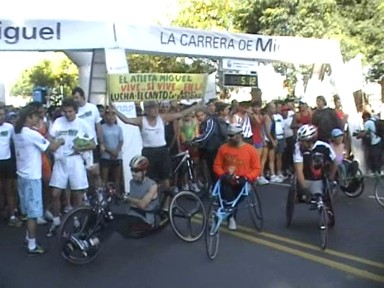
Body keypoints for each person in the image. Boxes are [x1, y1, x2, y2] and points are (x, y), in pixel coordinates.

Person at [13, 104, 64, 254]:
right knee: (33, 214)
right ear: (29, 117)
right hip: (32, 177)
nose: (38, 118)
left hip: (22, 175)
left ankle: (28, 238)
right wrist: (60, 141)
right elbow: (51, 148)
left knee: (28, 210)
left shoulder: (17, 132)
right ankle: (32, 245)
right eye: (35, 116)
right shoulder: (31, 134)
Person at [46, 98, 95, 237]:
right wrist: (55, 142)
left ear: (75, 111)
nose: (68, 114)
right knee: (55, 193)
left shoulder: (82, 123)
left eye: (70, 111)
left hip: (75, 160)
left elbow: (92, 144)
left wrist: (79, 147)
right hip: (60, 161)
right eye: (65, 111)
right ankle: (56, 221)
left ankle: (76, 220)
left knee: (77, 194)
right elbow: (49, 136)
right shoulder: (58, 122)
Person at [213, 124, 261, 230]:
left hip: (243, 180)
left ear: (239, 135)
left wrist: (248, 177)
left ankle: (230, 213)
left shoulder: (251, 150)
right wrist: (223, 175)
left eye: (231, 136)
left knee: (240, 195)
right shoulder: (223, 148)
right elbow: (217, 165)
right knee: (227, 196)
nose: (229, 138)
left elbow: (257, 168)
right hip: (227, 179)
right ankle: (230, 217)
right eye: (228, 135)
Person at [293, 124, 337, 221]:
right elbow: (299, 169)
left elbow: (334, 162)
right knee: (304, 194)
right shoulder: (298, 148)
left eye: (302, 141)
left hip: (320, 177)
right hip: (305, 178)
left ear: (310, 141)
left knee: (324, 193)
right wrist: (304, 189)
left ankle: (326, 210)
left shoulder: (324, 146)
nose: (300, 143)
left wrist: (331, 177)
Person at [0, 106, 21, 227]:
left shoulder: (9, 128)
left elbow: (16, 143)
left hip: (7, 162)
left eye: (2, 114)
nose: (1, 117)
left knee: (9, 190)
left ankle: (12, 216)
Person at [100, 107, 124, 191]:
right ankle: (103, 195)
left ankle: (116, 195)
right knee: (104, 178)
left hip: (117, 156)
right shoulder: (101, 127)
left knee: (117, 178)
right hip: (106, 156)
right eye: (108, 115)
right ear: (105, 117)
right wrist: (110, 151)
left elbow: (121, 141)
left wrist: (116, 151)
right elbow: (101, 141)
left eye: (113, 115)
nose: (111, 117)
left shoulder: (118, 128)